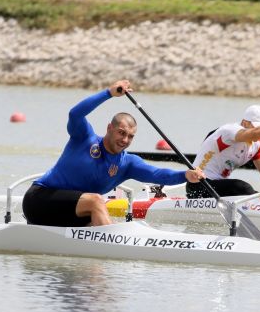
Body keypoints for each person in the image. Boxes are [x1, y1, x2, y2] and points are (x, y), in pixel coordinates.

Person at [22, 80, 204, 227]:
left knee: (97, 245)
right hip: (39, 201)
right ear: (110, 128)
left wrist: (186, 175)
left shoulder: (128, 164)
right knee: (96, 202)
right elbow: (75, 114)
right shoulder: (84, 138)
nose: (125, 140)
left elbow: (158, 174)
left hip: (70, 214)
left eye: (130, 137)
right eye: (121, 133)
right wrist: (108, 93)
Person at [186, 105, 260, 199]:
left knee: (253, 193)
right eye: (257, 127)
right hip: (198, 185)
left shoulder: (256, 144)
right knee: (242, 187)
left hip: (218, 188)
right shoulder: (230, 131)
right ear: (245, 123)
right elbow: (256, 133)